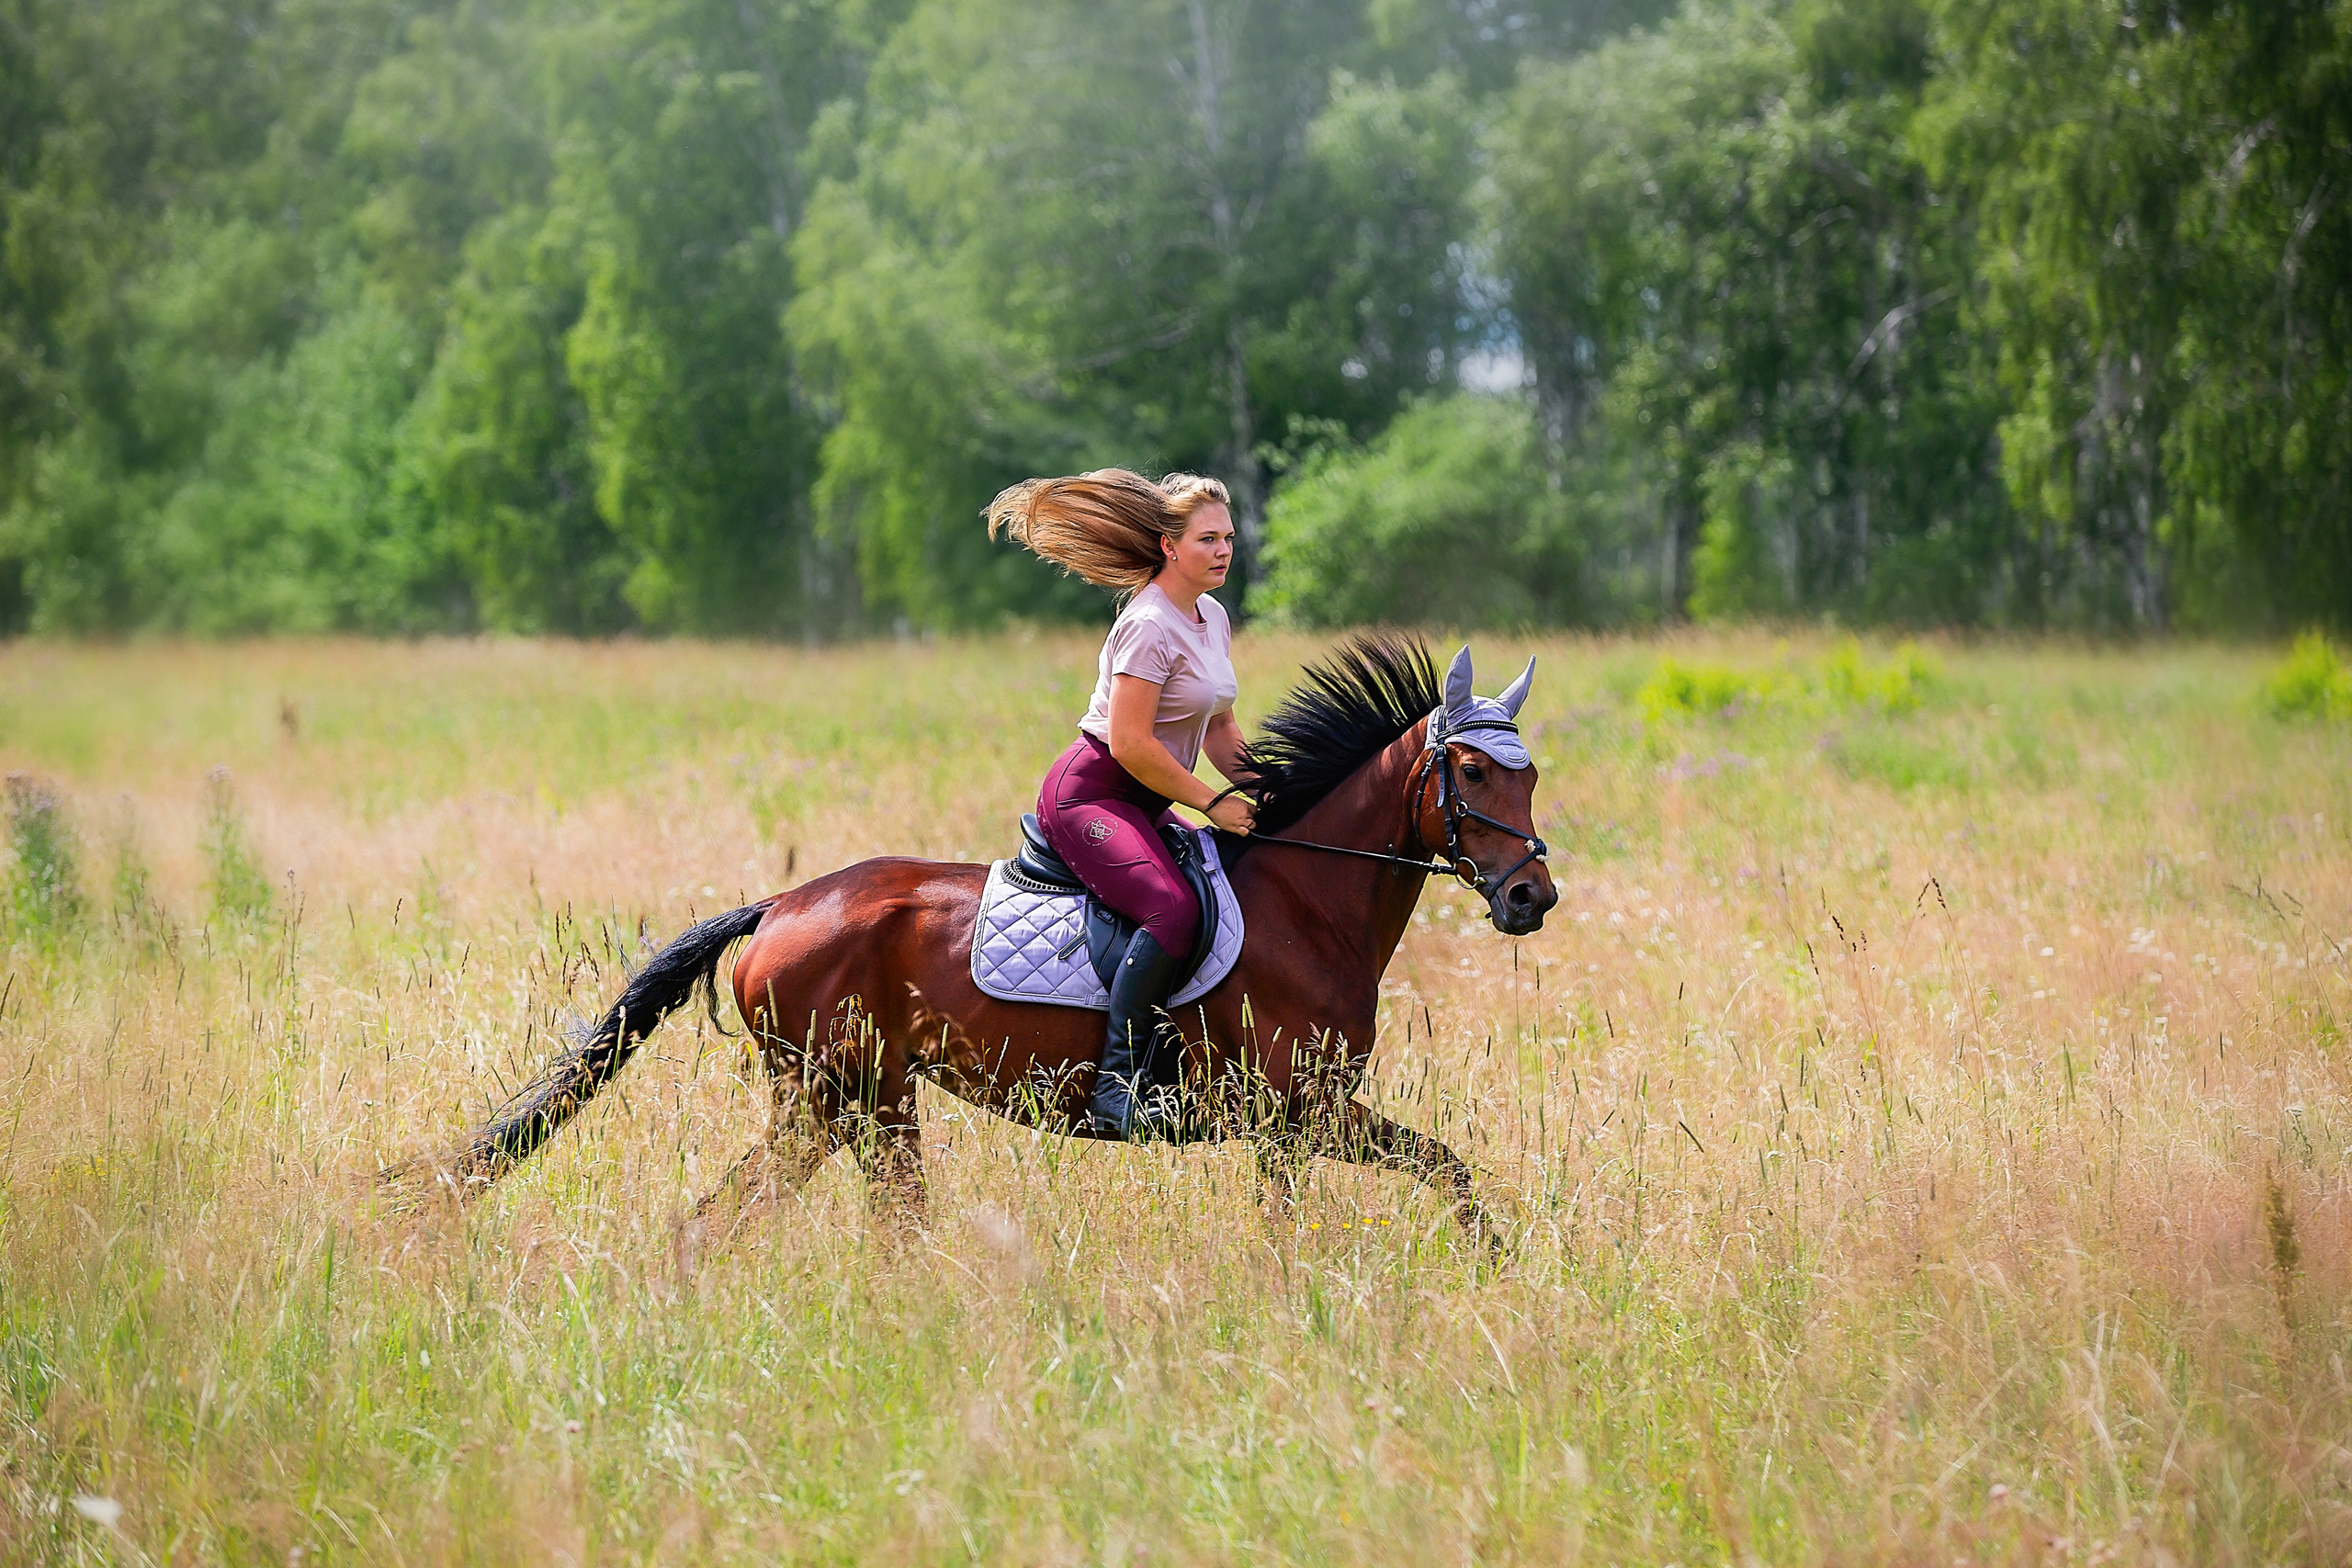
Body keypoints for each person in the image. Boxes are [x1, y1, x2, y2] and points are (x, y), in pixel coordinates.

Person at [986, 468, 1258, 1139]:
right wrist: (1212, 802)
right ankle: (1118, 1085)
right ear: (1169, 545)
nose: (1223, 550)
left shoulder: (1212, 617)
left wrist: (1265, 788)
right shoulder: (1148, 624)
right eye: (1207, 539)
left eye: (1228, 538)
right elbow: (1132, 744)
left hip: (1149, 797)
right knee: (1172, 908)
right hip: (1093, 793)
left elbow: (1220, 727)